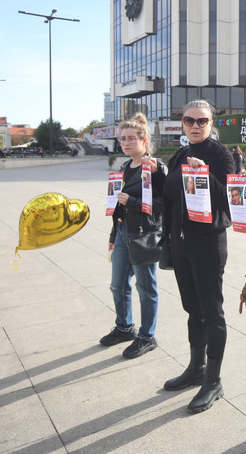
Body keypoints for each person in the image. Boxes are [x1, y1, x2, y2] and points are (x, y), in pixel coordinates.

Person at [162, 100, 235, 413]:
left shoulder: (220, 154)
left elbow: (229, 199)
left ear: (210, 123)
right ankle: (196, 368)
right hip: (181, 244)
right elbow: (168, 198)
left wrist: (205, 174)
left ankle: (213, 380)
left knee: (211, 311)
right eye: (189, 120)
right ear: (182, 122)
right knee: (193, 309)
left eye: (202, 121)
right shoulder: (179, 154)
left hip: (208, 243)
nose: (195, 126)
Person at [101, 113, 165, 359]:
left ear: (144, 139)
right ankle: (124, 326)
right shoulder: (125, 167)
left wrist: (134, 202)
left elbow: (162, 204)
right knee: (117, 284)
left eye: (131, 139)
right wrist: (112, 233)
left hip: (144, 234)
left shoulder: (154, 168)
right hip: (122, 233)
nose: (126, 143)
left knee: (145, 286)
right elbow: (117, 205)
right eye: (122, 140)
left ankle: (147, 336)